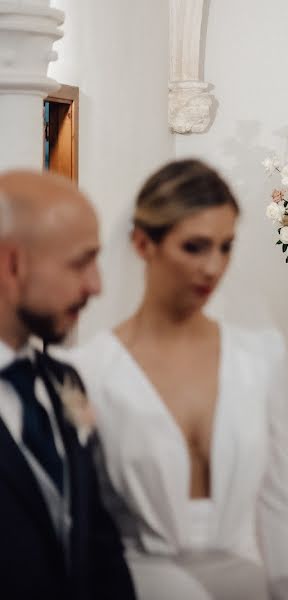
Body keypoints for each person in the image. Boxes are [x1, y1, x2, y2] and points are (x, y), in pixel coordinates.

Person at [71, 160, 288, 599]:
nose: (213, 268)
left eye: (225, 247)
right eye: (195, 247)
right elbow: (83, 521)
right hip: (141, 585)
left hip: (249, 584)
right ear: (144, 243)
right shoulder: (90, 371)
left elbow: (279, 499)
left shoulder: (259, 355)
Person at [0, 171, 135, 599]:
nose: (96, 286)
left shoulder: (65, 382)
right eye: (81, 262)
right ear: (13, 264)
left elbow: (96, 534)